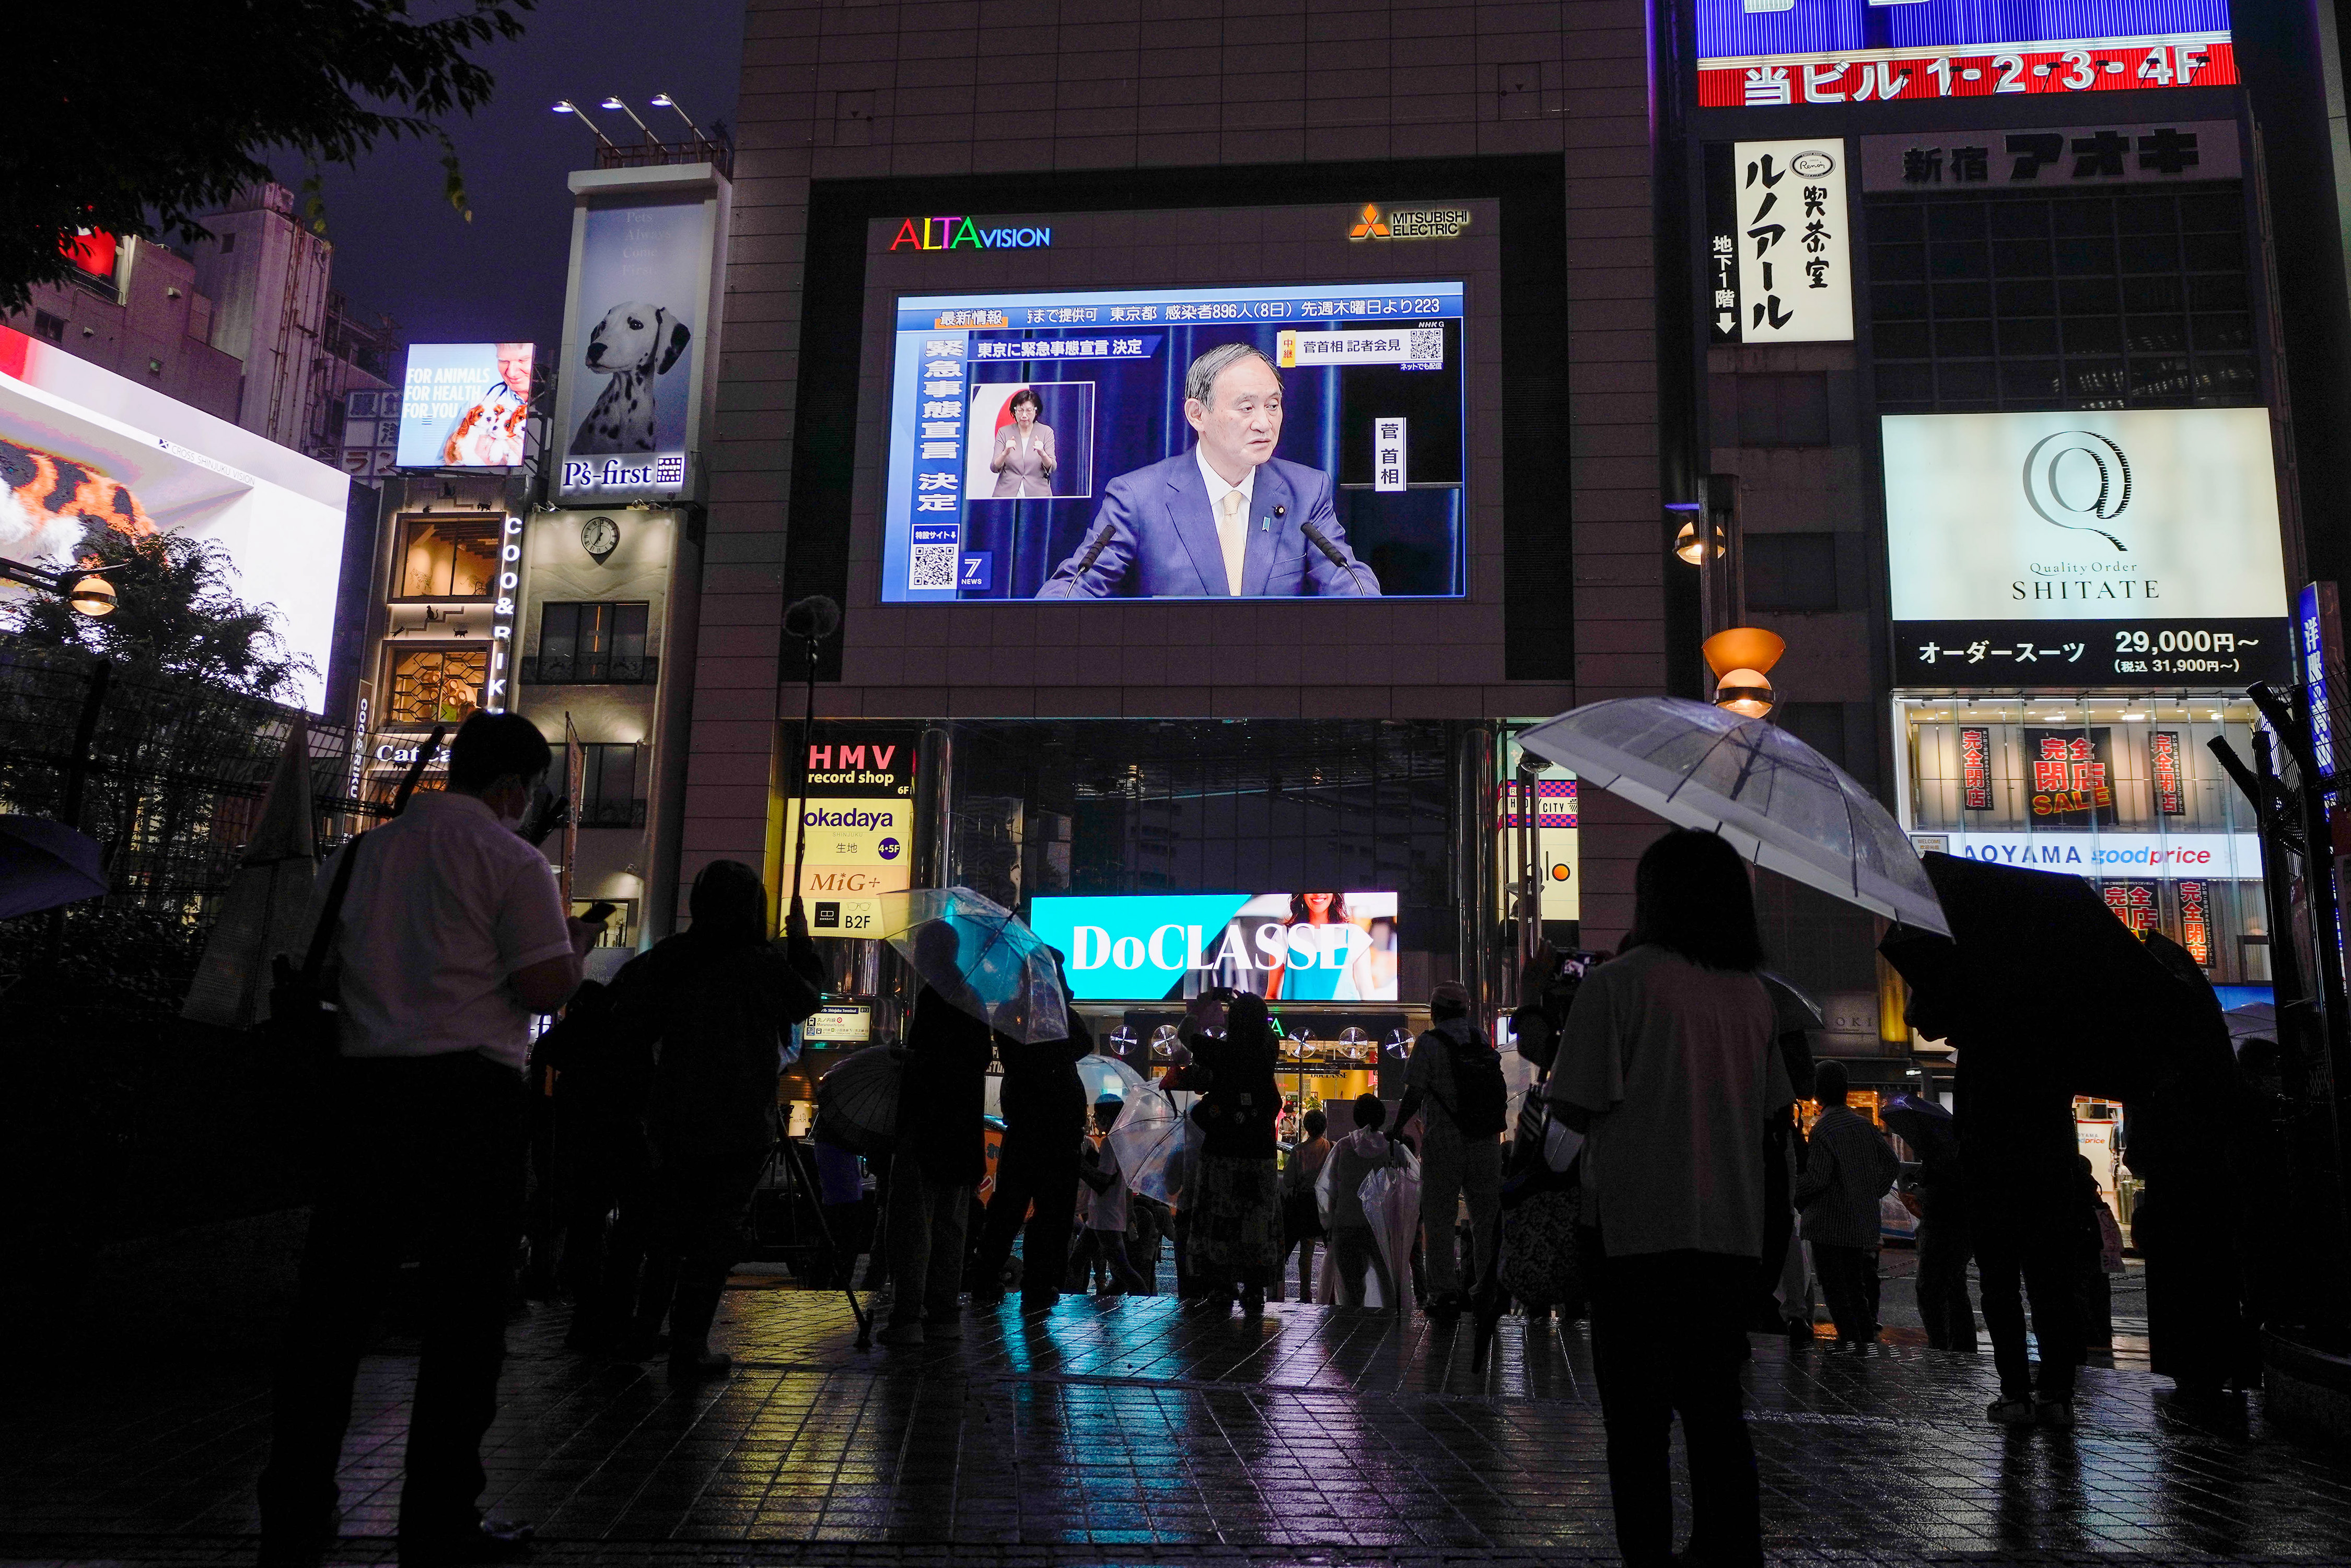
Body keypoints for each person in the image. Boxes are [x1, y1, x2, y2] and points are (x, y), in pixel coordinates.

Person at [258, 711, 597, 1568]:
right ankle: (438, 1516)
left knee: (332, 1314)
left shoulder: (360, 856)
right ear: (515, 788)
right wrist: (576, 947)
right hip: (470, 1101)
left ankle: (295, 1508)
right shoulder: (511, 861)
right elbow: (542, 985)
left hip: (364, 1095)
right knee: (464, 1324)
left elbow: (326, 970)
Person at [1547, 828, 1793, 1568]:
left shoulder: (1618, 984)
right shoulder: (1753, 997)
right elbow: (1770, 1119)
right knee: (1719, 1415)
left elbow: (1572, 1117)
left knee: (1638, 1426)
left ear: (1652, 898)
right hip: (1730, 1239)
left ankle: (1648, 1560)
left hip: (1633, 1236)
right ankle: (1728, 1552)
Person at [609, 861, 825, 1377]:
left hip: (673, 1114)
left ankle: (643, 1327)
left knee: (665, 1225)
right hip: (738, 1117)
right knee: (715, 1231)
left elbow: (627, 1013)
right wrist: (801, 943)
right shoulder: (757, 962)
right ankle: (690, 1344)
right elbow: (805, 999)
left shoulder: (671, 957)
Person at [1035, 343, 1380, 599]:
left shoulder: (1306, 491)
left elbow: (1345, 579)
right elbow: (1078, 584)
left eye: (1273, 406)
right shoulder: (1139, 497)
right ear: (1197, 415)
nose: (1265, 423)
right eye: (1247, 408)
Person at [1908, 980, 2085, 1430]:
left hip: (1994, 1184)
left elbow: (1966, 1127)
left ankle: (2015, 1393)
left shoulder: (1982, 1041)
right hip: (2047, 1180)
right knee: (2050, 1289)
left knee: (2000, 1288)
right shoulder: (2050, 1029)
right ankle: (2057, 1393)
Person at [879, 927, 999, 1345]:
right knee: (952, 1224)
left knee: (914, 1223)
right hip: (961, 1131)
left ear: (930, 953)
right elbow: (976, 1059)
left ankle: (907, 1315)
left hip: (928, 1128)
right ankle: (944, 1310)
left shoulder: (935, 997)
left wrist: (905, 1055)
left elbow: (932, 1063)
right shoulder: (973, 997)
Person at [531, 976, 653, 1354]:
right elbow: (645, 1085)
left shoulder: (569, 1038)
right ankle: (617, 1312)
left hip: (580, 1142)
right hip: (624, 1138)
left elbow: (543, 1065)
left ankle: (587, 1316)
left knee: (587, 1223)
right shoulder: (628, 1034)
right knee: (634, 1221)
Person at [971, 975, 1090, 1313]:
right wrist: (1058, 1006)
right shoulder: (1026, 1015)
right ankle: (1028, 1283)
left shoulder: (1015, 1013)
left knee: (1017, 1210)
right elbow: (1080, 1043)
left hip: (1031, 1129)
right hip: (1045, 1129)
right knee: (1033, 1211)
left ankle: (1007, 1280)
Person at [1395, 981, 1508, 1321]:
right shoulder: (1482, 1040)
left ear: (1436, 1011)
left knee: (1440, 1218)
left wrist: (1396, 1128)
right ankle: (1487, 1289)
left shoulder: (1429, 1043)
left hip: (1445, 1140)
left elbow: (1414, 1095)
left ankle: (1444, 1292)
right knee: (1485, 1218)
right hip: (1486, 1140)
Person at [1179, 990, 1286, 1315]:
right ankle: (1254, 1289)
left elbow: (1185, 1035)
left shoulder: (1221, 1053)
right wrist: (1252, 1006)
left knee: (1221, 1220)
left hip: (1222, 1152)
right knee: (1256, 1222)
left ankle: (1222, 1285)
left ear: (1233, 1022)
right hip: (1260, 1154)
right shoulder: (1267, 1053)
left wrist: (1201, 1009)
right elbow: (1265, 1033)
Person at [1793, 1060, 1899, 1348]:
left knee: (1833, 1285)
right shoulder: (1863, 1125)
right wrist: (1870, 1191)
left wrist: (1790, 1188)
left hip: (1828, 1221)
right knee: (1855, 1283)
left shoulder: (1823, 1129)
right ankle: (1863, 1336)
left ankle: (1849, 1339)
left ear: (1819, 1093)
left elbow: (1817, 1179)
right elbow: (1891, 1163)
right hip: (1859, 1220)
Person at [1323, 1094, 1409, 1306]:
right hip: (1382, 1227)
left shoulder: (1343, 1147)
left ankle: (1354, 1330)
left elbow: (1330, 1187)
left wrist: (1329, 1222)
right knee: (1387, 1282)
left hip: (1346, 1223)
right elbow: (1407, 1185)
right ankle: (1390, 1328)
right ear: (1381, 1117)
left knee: (1352, 1287)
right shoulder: (1393, 1148)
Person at [1075, 1097, 1151, 1294]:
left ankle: (1143, 1299)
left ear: (1108, 1118)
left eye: (1099, 1116)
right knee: (1078, 1260)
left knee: (1122, 1269)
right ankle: (1080, 1298)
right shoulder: (1124, 1141)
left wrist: (1081, 1164)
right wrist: (1129, 1211)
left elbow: (1103, 1182)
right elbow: (1123, 1183)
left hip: (1104, 1216)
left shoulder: (1111, 1142)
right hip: (1104, 1215)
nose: (1097, 1120)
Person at [1265, 892, 1378, 1001]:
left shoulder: (1354, 935)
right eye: (1311, 887)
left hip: (1345, 1019)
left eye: (1324, 887)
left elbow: (1368, 996)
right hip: (1296, 1019)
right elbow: (1271, 996)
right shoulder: (1284, 935)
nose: (1318, 894)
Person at [1275, 1108, 1331, 1302]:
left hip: (1302, 1204)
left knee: (1302, 1251)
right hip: (1323, 1203)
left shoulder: (1299, 1150)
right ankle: (1330, 1294)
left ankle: (1304, 1293)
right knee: (1330, 1249)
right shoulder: (1330, 1148)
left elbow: (1289, 1181)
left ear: (1306, 1128)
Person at [987, 387, 1056, 498]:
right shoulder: (1004, 432)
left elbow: (1052, 467)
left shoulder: (1046, 432)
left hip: (1038, 493)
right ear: (1014, 411)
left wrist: (1043, 453)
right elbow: (994, 468)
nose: (1024, 415)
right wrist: (1005, 452)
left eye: (1029, 410)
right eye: (1020, 410)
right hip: (1006, 493)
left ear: (1036, 411)